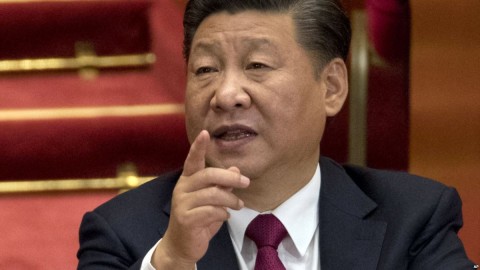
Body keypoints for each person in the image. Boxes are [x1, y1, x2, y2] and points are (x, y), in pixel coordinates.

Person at [77, 0, 477, 269]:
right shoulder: (124, 234)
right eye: (205, 70)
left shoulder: (413, 219)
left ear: (332, 86)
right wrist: (171, 260)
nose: (226, 94)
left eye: (257, 65)